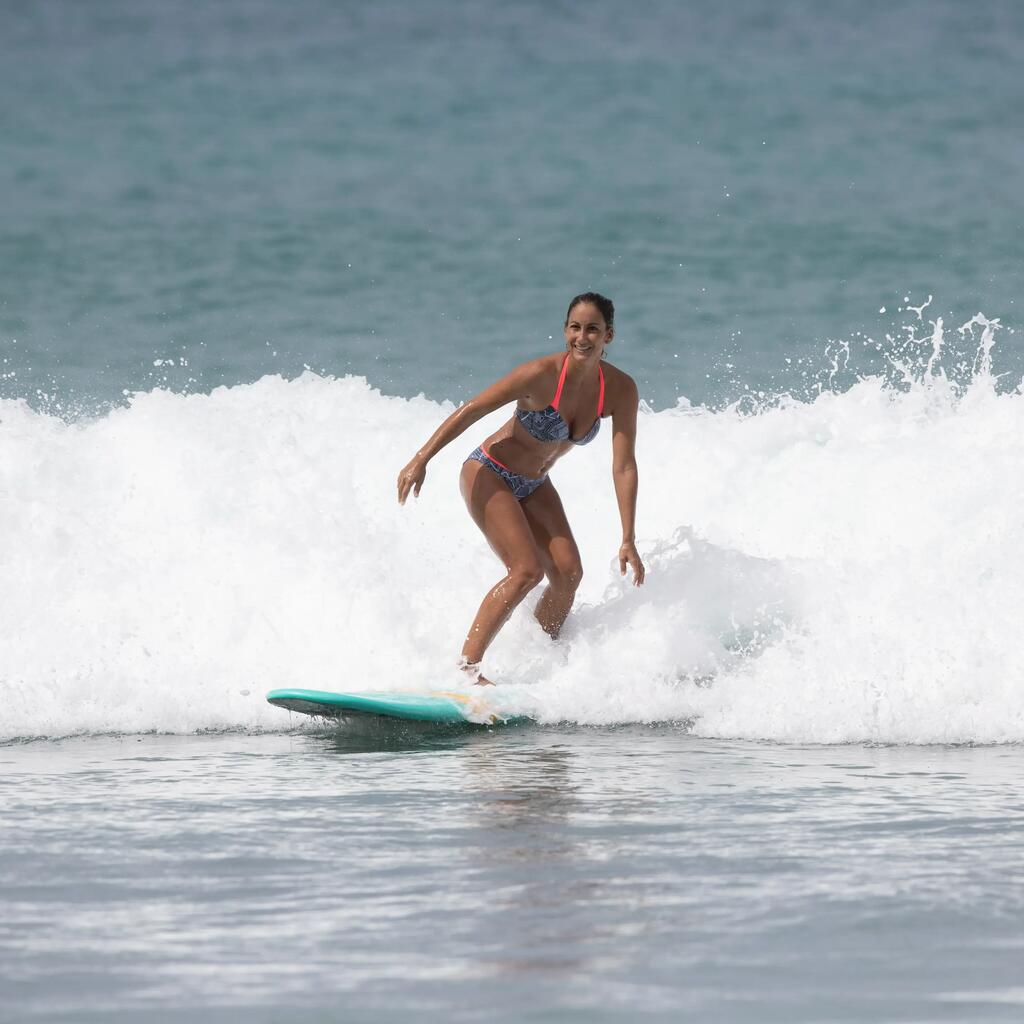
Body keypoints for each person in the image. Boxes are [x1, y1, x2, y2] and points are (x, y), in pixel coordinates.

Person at [397, 292, 645, 685]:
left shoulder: (619, 390)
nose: (582, 337)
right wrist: (421, 458)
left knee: (568, 574)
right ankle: (466, 670)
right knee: (526, 570)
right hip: (489, 471)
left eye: (592, 329)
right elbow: (473, 408)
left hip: (534, 483)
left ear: (608, 336)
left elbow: (624, 464)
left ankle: (537, 659)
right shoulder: (540, 375)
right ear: (565, 330)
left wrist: (628, 537)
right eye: (575, 327)